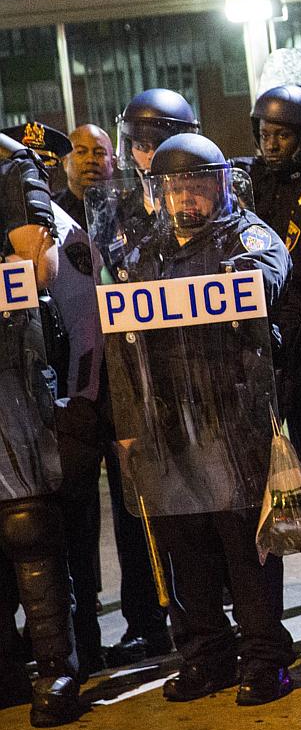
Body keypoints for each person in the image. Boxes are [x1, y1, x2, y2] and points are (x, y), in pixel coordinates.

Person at [101, 133, 294, 705]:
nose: (187, 199)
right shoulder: (143, 249)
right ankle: (205, 654)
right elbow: (124, 331)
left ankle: (264, 656)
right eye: (175, 188)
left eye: (198, 187)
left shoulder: (249, 237)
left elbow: (262, 281)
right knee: (184, 542)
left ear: (220, 187)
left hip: (233, 415)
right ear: (158, 194)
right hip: (167, 419)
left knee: (244, 543)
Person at [85, 89, 194, 668]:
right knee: (140, 508)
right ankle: (150, 619)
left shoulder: (207, 197)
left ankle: (206, 615)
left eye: (154, 142)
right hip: (135, 374)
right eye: (136, 143)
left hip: (198, 376)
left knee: (203, 504)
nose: (144, 153)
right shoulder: (117, 210)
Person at [233, 85, 301, 608]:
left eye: (281, 135)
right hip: (254, 350)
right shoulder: (244, 188)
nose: (269, 144)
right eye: (264, 134)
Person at [0, 133, 84, 727]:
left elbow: (38, 265)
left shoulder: (7, 161)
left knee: (25, 519)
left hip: (6, 355)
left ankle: (55, 663)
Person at [55, 125, 114, 224]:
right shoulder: (54, 210)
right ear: (65, 161)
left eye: (99, 153)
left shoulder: (126, 208)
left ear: (113, 162)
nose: (90, 160)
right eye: (81, 152)